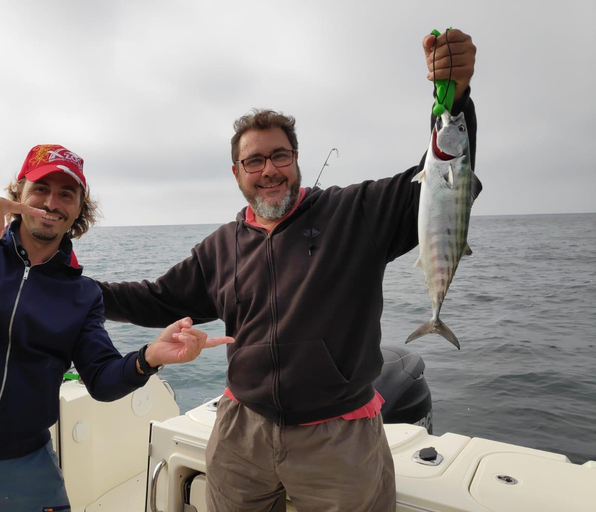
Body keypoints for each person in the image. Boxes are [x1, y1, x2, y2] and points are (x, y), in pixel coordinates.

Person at [96, 29, 477, 512]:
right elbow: (154, 299)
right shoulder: (219, 248)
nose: (269, 169)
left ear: (297, 160)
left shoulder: (355, 212)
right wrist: (78, 291)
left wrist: (455, 98)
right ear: (236, 173)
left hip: (339, 439)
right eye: (253, 160)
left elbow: (446, 177)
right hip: (241, 432)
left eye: (280, 155)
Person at [0, 143, 233, 512]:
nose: (51, 203)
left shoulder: (82, 295)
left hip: (26, 465)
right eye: (41, 188)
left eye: (67, 194)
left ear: (80, 209)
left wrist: (148, 358)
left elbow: (101, 379)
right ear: (18, 193)